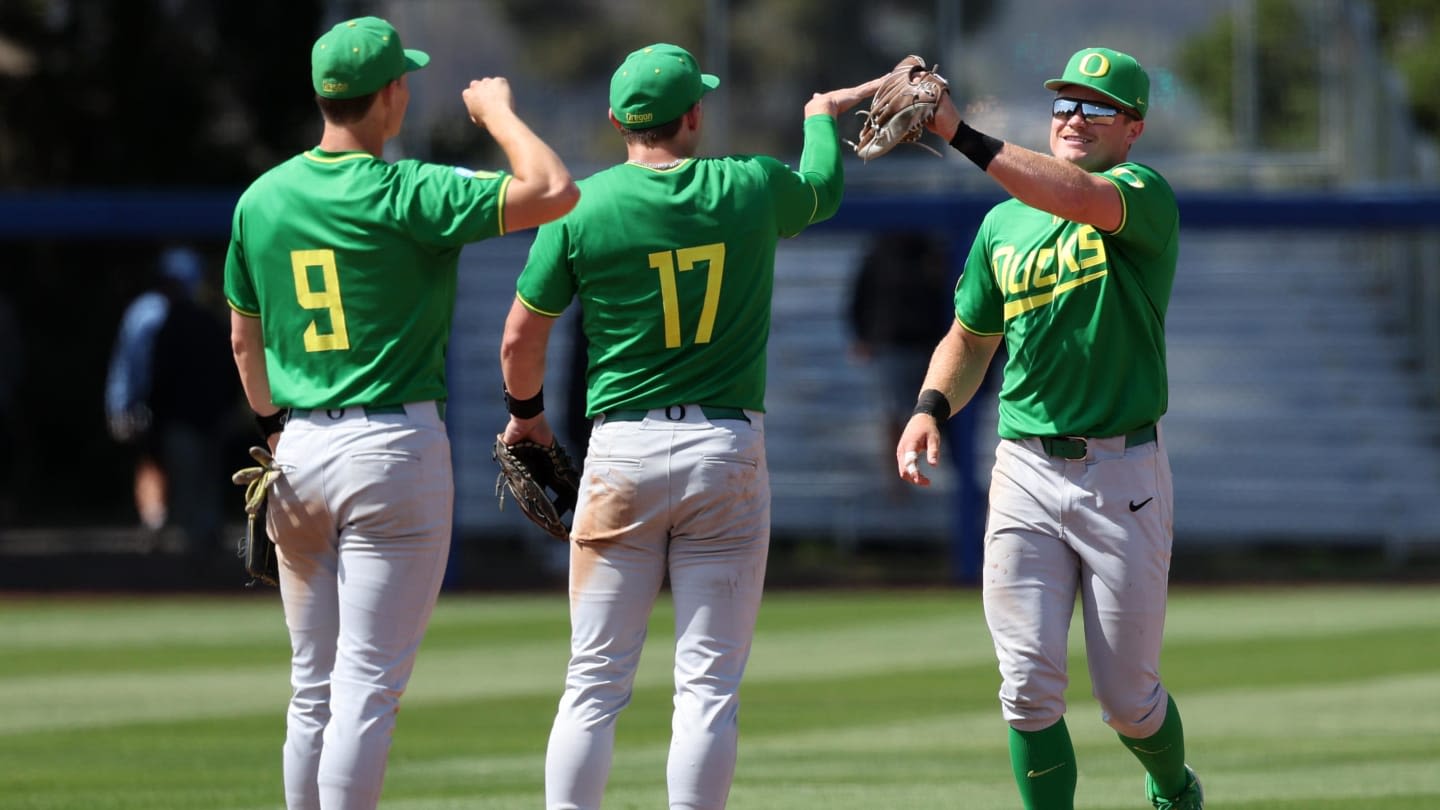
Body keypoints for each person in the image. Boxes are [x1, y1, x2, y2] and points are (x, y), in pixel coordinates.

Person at [496, 43, 882, 810]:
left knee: (595, 682)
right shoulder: (747, 186)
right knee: (708, 686)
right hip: (724, 449)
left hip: (623, 450)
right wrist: (819, 117)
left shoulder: (583, 205)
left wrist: (527, 420)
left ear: (615, 121)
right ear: (695, 116)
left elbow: (518, 339)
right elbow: (822, 190)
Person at [223, 16, 577, 810]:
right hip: (392, 447)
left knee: (311, 685)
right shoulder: (410, 191)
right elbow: (554, 189)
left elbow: (246, 346)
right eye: (402, 82)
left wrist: (276, 433)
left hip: (299, 450)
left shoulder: (262, 198)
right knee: (367, 686)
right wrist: (499, 117)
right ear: (390, 97)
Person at [895, 48, 1203, 810]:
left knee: (1128, 700)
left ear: (1132, 129)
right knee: (1027, 688)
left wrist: (960, 133)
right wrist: (930, 406)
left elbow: (1076, 196)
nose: (1074, 116)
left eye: (1098, 107)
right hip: (1026, 467)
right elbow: (969, 339)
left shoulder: (1142, 196)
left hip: (1121, 474)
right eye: (1065, 102)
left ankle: (1173, 788)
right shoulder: (1004, 221)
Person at [106, 246, 239, 563]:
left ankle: (187, 540)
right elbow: (134, 364)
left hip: (181, 415)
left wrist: (124, 404)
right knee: (180, 474)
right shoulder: (159, 313)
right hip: (184, 415)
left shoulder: (176, 316)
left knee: (184, 476)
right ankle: (181, 534)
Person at [846, 230, 952, 498]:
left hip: (930, 348)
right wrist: (862, 335)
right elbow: (860, 295)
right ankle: (900, 483)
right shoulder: (881, 251)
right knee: (896, 416)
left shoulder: (932, 250)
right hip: (893, 347)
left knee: (933, 413)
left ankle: (933, 477)